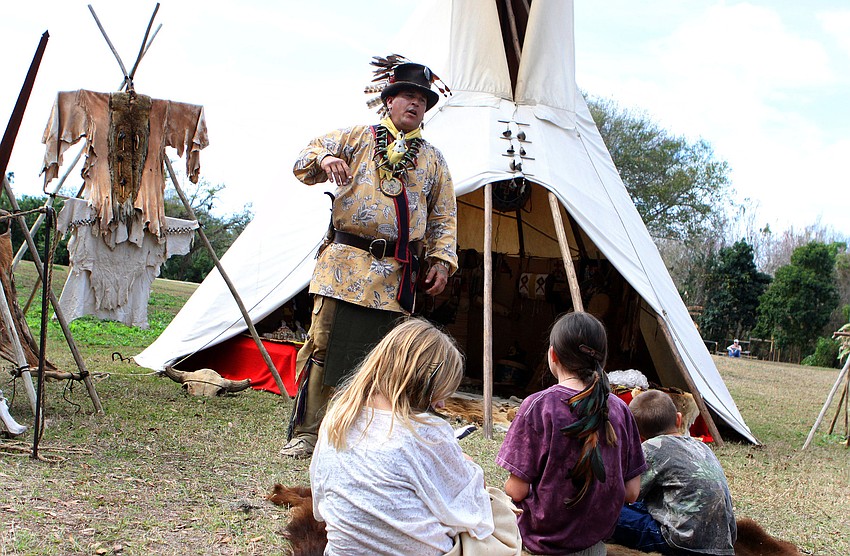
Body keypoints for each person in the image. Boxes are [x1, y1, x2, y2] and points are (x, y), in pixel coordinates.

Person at [281, 60, 458, 458]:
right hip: (344, 265)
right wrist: (326, 160)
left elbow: (445, 215)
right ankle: (308, 432)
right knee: (323, 345)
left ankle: (363, 434)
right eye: (408, 96)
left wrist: (442, 261)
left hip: (395, 275)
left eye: (422, 99)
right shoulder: (357, 136)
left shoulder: (433, 160)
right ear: (390, 101)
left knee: (380, 358)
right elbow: (304, 158)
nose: (415, 104)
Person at [309, 318, 503, 555]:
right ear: (420, 382)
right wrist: (471, 469)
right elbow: (471, 513)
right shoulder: (427, 433)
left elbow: (320, 506)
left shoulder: (338, 417)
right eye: (439, 393)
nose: (441, 404)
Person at [496, 312, 647, 555]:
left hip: (539, 547)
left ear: (553, 354)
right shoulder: (620, 409)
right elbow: (631, 493)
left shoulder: (539, 406)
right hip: (595, 548)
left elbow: (516, 490)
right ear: (602, 360)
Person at [611, 390, 736, 555]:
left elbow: (629, 494)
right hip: (722, 544)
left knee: (608, 509)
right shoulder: (703, 447)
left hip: (677, 544)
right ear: (678, 418)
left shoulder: (652, 448)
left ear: (638, 435)